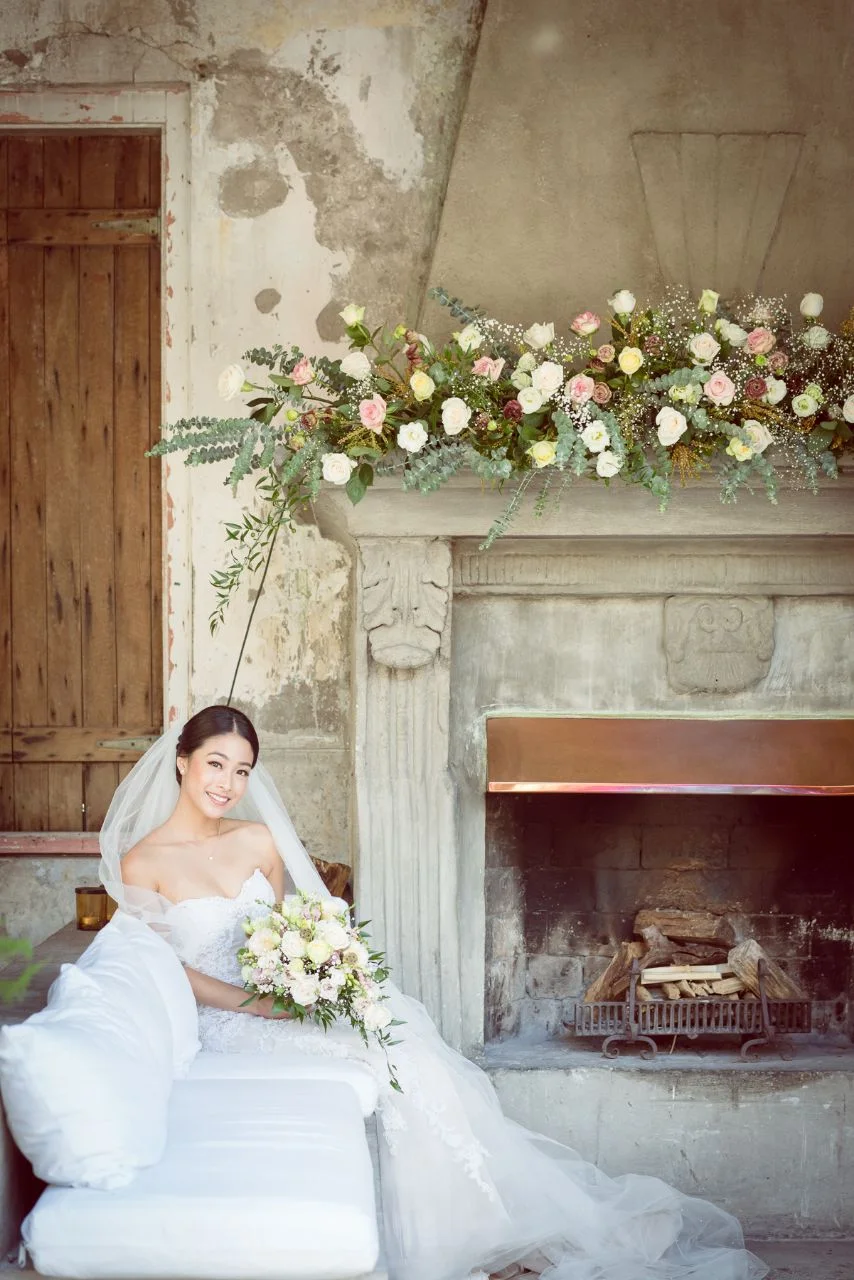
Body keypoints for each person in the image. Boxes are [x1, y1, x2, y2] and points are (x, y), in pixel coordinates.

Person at [100, 705, 768, 1280]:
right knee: (385, 1062)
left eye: (242, 770)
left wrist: (320, 976)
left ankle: (481, 1229)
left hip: (289, 1002)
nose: (229, 783)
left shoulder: (259, 840)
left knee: (409, 1050)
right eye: (216, 764)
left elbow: (288, 930)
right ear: (183, 761)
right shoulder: (144, 863)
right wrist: (261, 1003)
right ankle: (442, 1244)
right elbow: (168, 972)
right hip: (232, 1022)